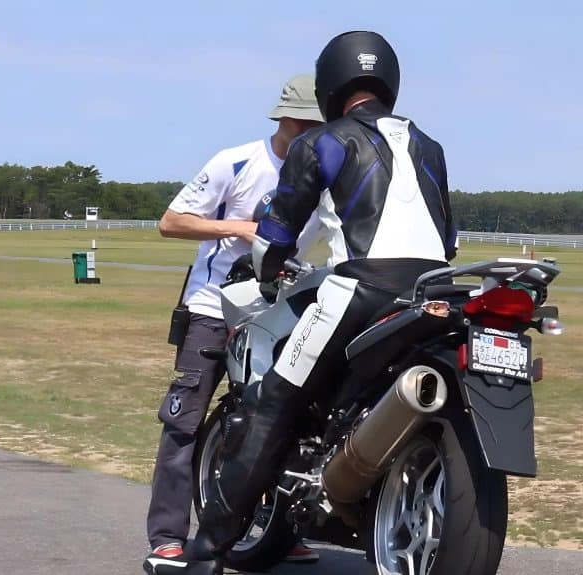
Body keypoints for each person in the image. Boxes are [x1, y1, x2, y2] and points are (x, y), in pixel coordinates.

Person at [180, 31, 458, 575]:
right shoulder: (431, 147)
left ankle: (205, 552)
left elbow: (278, 231)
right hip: (435, 292)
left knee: (274, 404)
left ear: (329, 83)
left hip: (362, 290)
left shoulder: (323, 142)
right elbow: (445, 240)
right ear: (389, 83)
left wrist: (263, 270)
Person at [143, 75, 324, 575]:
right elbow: (171, 221)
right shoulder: (236, 160)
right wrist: (240, 228)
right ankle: (167, 539)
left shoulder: (328, 176)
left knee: (283, 425)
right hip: (211, 309)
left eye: (319, 126)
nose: (311, 134)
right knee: (184, 421)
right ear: (284, 119)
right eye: (304, 124)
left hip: (279, 315)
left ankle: (276, 534)